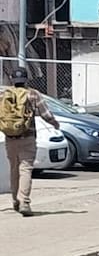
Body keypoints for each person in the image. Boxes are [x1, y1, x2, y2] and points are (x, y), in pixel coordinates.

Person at [1, 67, 60, 216]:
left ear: (12, 80)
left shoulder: (4, 94)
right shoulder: (33, 94)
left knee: (14, 169)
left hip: (10, 138)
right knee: (25, 169)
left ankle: (15, 200)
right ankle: (24, 202)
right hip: (28, 137)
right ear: (26, 79)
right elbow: (46, 114)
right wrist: (55, 124)